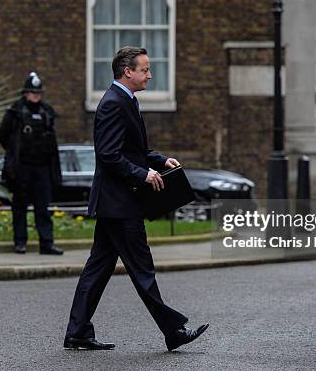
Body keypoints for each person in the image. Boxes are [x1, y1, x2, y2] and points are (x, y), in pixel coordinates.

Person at [63, 47, 208, 351]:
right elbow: (108, 155)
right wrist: (142, 174)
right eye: (144, 69)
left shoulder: (124, 100)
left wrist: (159, 160)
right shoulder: (114, 103)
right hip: (120, 204)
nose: (149, 75)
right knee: (142, 269)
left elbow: (131, 150)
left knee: (97, 269)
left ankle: (77, 332)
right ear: (127, 71)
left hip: (114, 203)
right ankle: (173, 331)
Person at [0, 72, 64, 255]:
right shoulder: (15, 111)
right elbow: (2, 136)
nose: (36, 95)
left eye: (38, 92)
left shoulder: (47, 112)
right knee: (19, 207)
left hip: (42, 168)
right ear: (25, 93)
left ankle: (47, 243)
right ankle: (20, 242)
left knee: (43, 208)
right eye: (32, 92)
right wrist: (14, 152)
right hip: (22, 168)